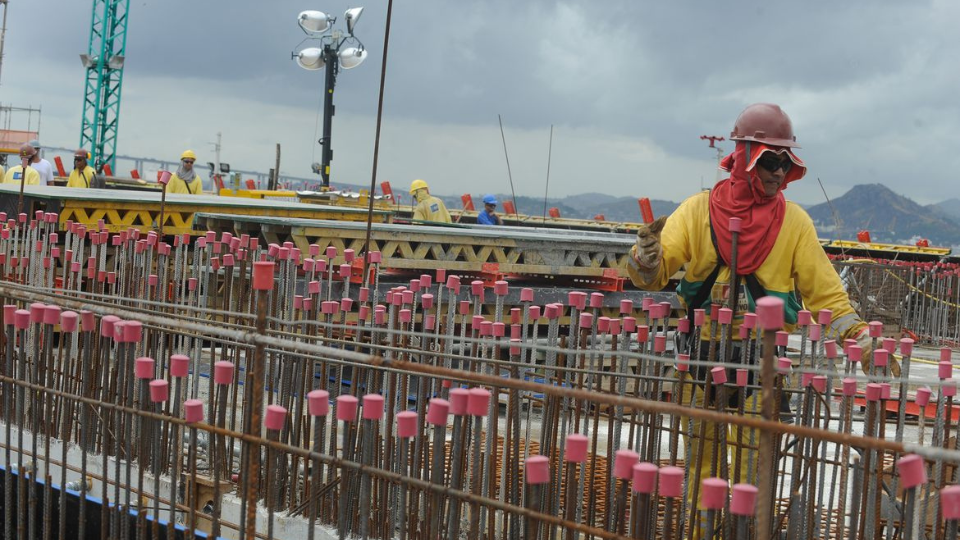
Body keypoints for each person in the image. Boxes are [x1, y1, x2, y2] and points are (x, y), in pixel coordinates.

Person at [626, 103, 889, 532]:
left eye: (786, 163)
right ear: (745, 158)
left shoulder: (795, 223)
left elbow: (828, 296)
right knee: (701, 474)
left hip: (760, 368)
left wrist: (859, 337)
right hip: (699, 360)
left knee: (752, 480)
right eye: (770, 160)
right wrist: (645, 256)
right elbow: (652, 277)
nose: (778, 173)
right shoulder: (696, 211)